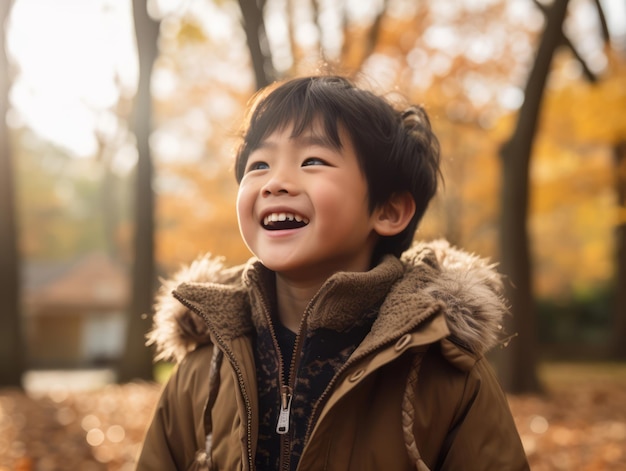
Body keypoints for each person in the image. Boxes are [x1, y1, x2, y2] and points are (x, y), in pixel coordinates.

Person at [135, 75, 529, 470]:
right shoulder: (204, 370)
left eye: (312, 161)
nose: (275, 183)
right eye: (259, 165)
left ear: (388, 211)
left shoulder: (443, 372)